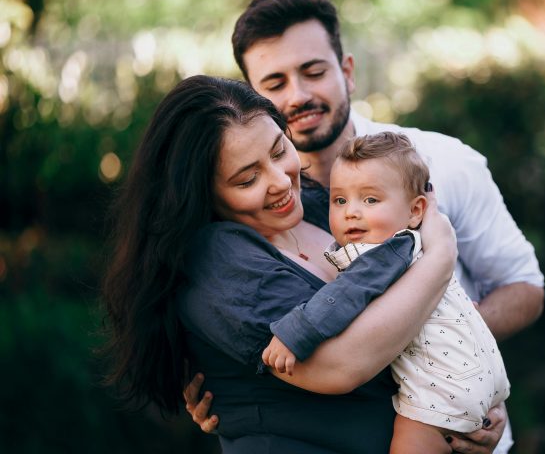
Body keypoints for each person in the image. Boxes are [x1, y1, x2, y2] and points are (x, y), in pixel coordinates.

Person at [186, 0, 544, 453]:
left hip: (467, 429)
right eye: (275, 83)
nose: (299, 95)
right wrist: (235, 393)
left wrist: (457, 366)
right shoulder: (272, 211)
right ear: (254, 98)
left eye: (314, 72)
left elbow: (524, 287)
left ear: (347, 71)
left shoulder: (443, 162)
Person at [102, 75, 475, 453]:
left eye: (280, 151)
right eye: (248, 179)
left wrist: (470, 409)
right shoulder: (216, 259)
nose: (280, 181)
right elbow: (340, 366)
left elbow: (424, 323)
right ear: (202, 193)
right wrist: (441, 256)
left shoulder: (321, 208)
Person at [262, 132, 511, 454]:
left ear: (415, 211)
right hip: (478, 375)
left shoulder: (386, 253)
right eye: (340, 200)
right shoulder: (416, 248)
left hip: (443, 386)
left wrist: (295, 332)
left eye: (370, 200)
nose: (351, 212)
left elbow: (345, 294)